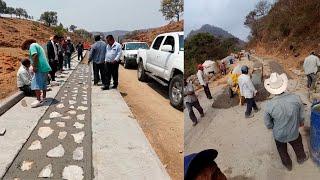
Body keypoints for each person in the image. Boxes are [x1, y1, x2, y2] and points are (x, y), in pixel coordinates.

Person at [264, 72, 308, 171]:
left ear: (271, 89)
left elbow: (268, 123)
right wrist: (300, 122)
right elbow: (301, 115)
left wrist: (272, 126)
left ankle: (288, 165)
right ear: (283, 85)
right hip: (294, 132)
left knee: (281, 150)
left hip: (279, 135)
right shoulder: (296, 98)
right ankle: (301, 158)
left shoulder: (269, 105)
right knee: (298, 145)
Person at [21, 39, 52, 108]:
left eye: (26, 47)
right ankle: (44, 98)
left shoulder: (32, 46)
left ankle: (38, 100)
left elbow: (35, 55)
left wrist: (34, 66)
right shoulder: (38, 45)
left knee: (35, 83)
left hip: (40, 67)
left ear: (27, 44)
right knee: (44, 83)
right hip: (45, 67)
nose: (27, 49)